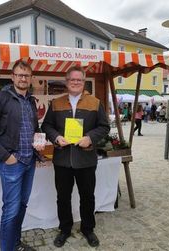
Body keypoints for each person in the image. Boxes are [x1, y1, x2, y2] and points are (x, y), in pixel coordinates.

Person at [41, 65, 110, 248]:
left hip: (86, 159)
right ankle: (65, 229)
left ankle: (88, 228)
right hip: (62, 160)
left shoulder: (95, 103)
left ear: (83, 81)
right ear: (67, 82)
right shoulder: (56, 103)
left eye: (79, 80)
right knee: (63, 197)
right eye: (72, 79)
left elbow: (104, 127)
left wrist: (90, 138)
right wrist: (56, 137)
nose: (76, 82)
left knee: (87, 196)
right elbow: (46, 126)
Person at [0, 61, 45, 251]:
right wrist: (6, 156)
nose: (23, 78)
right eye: (19, 75)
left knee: (22, 204)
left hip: (29, 161)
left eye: (26, 75)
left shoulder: (31, 101)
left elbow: (33, 128)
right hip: (12, 163)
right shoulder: (1, 98)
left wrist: (39, 140)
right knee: (11, 209)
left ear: (31, 78)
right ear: (13, 76)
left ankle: (15, 243)